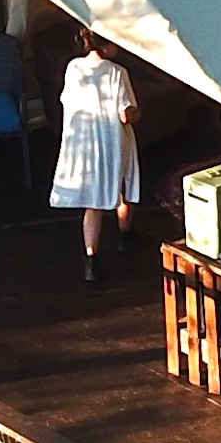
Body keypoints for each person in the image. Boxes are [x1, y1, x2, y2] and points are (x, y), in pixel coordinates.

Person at [49, 28, 141, 282]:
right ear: (108, 44)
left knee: (93, 202)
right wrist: (137, 113)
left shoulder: (73, 68)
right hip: (112, 140)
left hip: (84, 141)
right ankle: (125, 236)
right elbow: (125, 113)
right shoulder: (116, 73)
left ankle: (91, 259)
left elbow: (67, 100)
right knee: (123, 186)